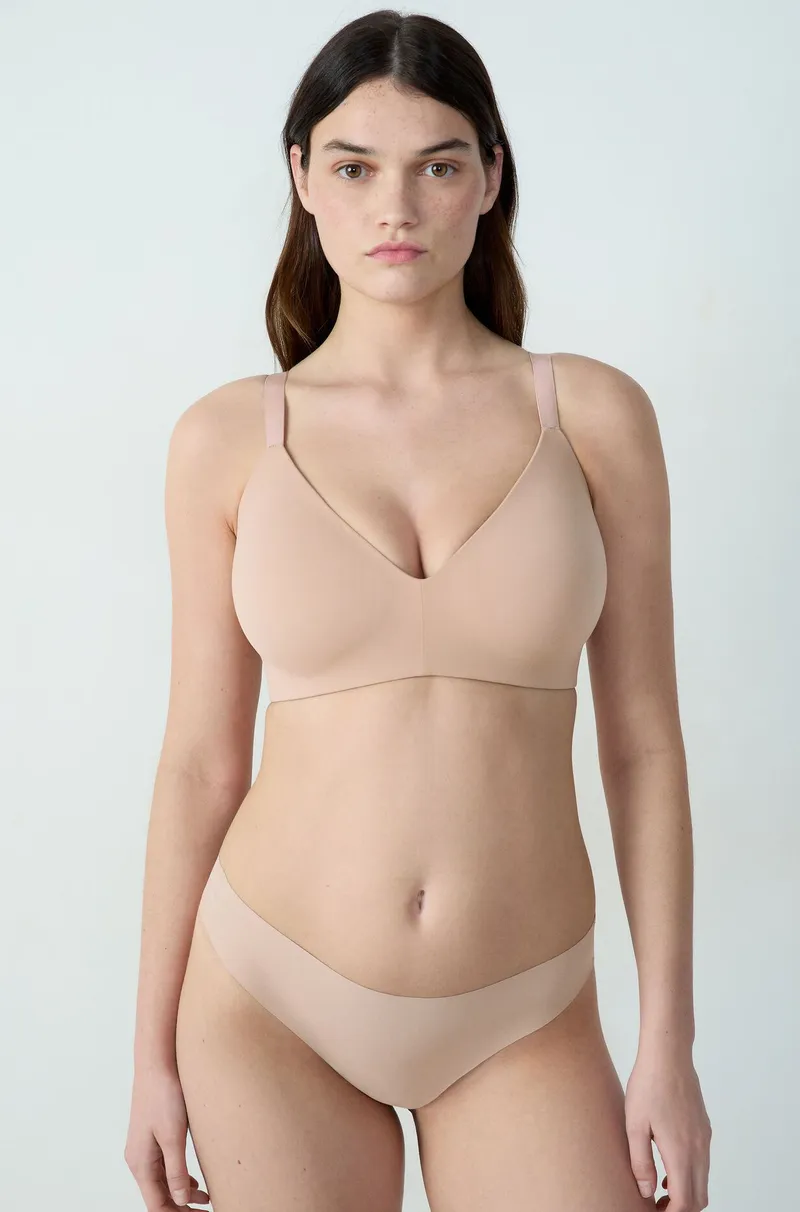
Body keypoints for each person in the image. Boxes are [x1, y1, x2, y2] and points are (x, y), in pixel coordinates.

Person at [124, 10, 712, 1211]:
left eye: (437, 166)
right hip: (267, 999)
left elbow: (643, 744)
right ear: (301, 177)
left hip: (525, 1010)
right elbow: (197, 764)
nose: (394, 207)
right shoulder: (228, 439)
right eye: (354, 168)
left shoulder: (592, 419)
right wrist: (148, 1058)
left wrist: (667, 1043)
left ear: (490, 178)